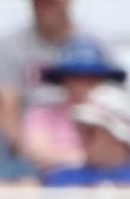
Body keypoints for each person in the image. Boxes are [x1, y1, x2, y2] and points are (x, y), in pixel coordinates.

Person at [0, 0, 76, 143]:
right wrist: (22, 149)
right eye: (38, 0)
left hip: (81, 137)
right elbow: (6, 107)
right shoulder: (10, 45)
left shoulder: (92, 45)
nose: (44, 7)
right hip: (30, 140)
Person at [21, 37, 126, 172]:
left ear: (102, 79)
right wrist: (92, 157)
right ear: (63, 80)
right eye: (76, 77)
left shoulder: (119, 114)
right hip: (55, 188)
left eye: (92, 77)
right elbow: (37, 153)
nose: (84, 84)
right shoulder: (41, 116)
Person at [44, 84, 130, 199]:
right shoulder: (64, 176)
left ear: (118, 134)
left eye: (91, 131)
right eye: (81, 129)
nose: (83, 137)